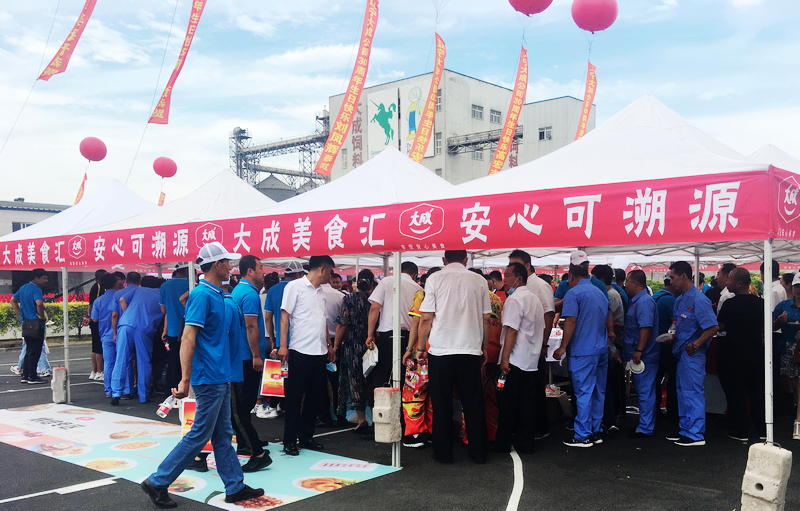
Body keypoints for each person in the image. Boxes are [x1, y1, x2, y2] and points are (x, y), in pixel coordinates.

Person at [141, 242, 263, 509]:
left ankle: (235, 486)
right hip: (209, 375)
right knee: (200, 434)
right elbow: (188, 337)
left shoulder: (216, 294)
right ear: (217, 265)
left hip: (218, 374)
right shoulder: (203, 295)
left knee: (221, 434)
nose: (231, 266)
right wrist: (184, 379)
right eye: (227, 262)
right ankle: (158, 481)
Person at [417, 250, 490, 464]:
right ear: (466, 260)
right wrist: (484, 347)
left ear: (444, 260)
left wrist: (421, 347)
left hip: (441, 351)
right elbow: (486, 318)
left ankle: (443, 453)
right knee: (473, 403)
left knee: (441, 404)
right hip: (470, 349)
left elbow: (426, 317)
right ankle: (478, 453)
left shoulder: (435, 278)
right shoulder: (479, 280)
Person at [279, 255, 336, 456]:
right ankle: (289, 440)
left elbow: (323, 320)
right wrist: (283, 346)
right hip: (300, 351)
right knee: (294, 398)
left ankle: (306, 436)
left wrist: (329, 345)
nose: (330, 277)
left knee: (315, 397)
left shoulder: (321, 293)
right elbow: (284, 317)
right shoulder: (294, 287)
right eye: (329, 272)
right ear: (321, 269)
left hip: (319, 352)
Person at [553, 264, 612, 448]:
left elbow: (570, 320)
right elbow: (608, 316)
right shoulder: (599, 292)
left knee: (583, 392)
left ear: (571, 276)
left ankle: (582, 435)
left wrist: (563, 347)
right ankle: (595, 430)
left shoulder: (574, 293)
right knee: (598, 391)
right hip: (600, 347)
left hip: (583, 349)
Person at [494, 262, 545, 454]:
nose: (504, 279)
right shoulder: (535, 299)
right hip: (531, 359)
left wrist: (504, 358)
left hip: (515, 359)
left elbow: (511, 331)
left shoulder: (515, 300)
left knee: (507, 404)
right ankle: (526, 443)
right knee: (527, 404)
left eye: (507, 275)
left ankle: (503, 443)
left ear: (519, 278)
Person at [667, 261, 718, 447]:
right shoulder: (680, 300)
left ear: (684, 276)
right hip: (681, 352)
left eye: (673, 277)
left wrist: (696, 344)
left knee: (692, 392)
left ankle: (695, 433)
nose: (670, 281)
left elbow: (713, 327)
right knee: (682, 392)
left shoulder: (699, 300)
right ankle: (686, 428)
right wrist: (670, 335)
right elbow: (675, 324)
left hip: (692, 354)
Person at [508, 249, 555, 440]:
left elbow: (548, 315)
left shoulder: (540, 286)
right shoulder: (518, 289)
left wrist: (544, 344)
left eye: (516, 265)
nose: (512, 268)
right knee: (522, 392)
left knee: (534, 389)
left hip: (533, 347)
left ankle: (540, 427)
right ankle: (523, 428)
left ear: (527, 266)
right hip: (519, 350)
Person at [229, 255, 271, 469]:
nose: (264, 272)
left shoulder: (239, 291)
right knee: (241, 407)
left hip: (241, 356)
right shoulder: (249, 294)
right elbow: (250, 326)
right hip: (246, 357)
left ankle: (246, 442)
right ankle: (254, 449)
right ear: (250, 271)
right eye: (260, 268)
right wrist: (256, 355)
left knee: (241, 405)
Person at [716, 268, 766, 441]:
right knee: (756, 391)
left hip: (733, 352)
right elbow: (766, 326)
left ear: (739, 283)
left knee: (736, 391)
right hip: (755, 352)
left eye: (729, 279)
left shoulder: (730, 303)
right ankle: (762, 429)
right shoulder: (761, 303)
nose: (727, 282)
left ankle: (741, 429)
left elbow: (721, 326)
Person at [365, 262, 421, 414]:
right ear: (415, 275)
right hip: (409, 339)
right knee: (405, 379)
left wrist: (370, 334)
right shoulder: (418, 289)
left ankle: (382, 416)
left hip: (386, 336)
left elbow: (374, 308)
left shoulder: (386, 281)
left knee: (381, 377)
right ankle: (403, 418)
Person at [401, 267, 441, 448]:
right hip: (440, 351)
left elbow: (417, 322)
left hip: (422, 351)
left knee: (414, 391)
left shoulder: (422, 294)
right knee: (435, 393)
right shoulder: (447, 295)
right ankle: (433, 431)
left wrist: (409, 349)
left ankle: (415, 433)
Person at [262, 261, 306, 419]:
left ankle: (274, 406)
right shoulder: (301, 288)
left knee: (277, 374)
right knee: (296, 377)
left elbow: (268, 317)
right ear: (298, 274)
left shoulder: (273, 290)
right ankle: (290, 407)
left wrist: (273, 340)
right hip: (299, 341)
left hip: (281, 341)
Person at [112, 276, 164, 405]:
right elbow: (165, 312)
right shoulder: (160, 294)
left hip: (126, 324)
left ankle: (116, 392)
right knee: (144, 361)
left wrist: (128, 313)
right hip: (144, 328)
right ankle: (143, 395)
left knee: (121, 359)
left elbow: (122, 299)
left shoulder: (138, 290)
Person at [334, 269, 374, 434]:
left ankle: (361, 420)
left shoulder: (349, 299)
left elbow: (342, 324)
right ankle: (378, 420)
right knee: (372, 381)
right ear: (372, 283)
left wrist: (336, 346)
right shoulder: (376, 300)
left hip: (352, 345)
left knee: (354, 381)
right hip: (372, 345)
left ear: (356, 283)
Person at [623, 270, 660, 438]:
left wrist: (639, 350)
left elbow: (645, 327)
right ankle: (645, 424)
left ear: (636, 283)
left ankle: (646, 427)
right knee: (642, 389)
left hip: (645, 355)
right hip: (640, 353)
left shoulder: (644, 302)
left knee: (645, 390)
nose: (625, 285)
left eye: (628, 282)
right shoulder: (638, 301)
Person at [592, 264, 624, 433]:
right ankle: (612, 416)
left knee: (608, 382)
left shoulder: (609, 294)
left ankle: (610, 418)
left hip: (611, 343)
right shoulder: (613, 292)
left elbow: (605, 316)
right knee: (610, 381)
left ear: (601, 279)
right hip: (611, 341)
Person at [772, 273, 800, 440]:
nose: (798, 289)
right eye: (797, 286)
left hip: (798, 347)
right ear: (791, 287)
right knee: (793, 383)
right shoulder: (783, 306)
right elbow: (771, 325)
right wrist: (778, 322)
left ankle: (798, 419)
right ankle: (795, 410)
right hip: (788, 347)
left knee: (798, 383)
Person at [11, 268, 49, 385]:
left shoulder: (23, 288)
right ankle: (32, 376)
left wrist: (20, 314)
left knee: (28, 350)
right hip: (36, 323)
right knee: (35, 351)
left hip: (26, 323)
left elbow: (12, 300)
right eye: (44, 278)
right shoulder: (36, 289)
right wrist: (41, 316)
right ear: (36, 278)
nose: (46, 281)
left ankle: (25, 375)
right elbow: (39, 303)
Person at [91, 273, 125, 397]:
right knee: (122, 362)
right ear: (116, 283)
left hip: (105, 334)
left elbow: (94, 319)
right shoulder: (121, 296)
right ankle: (121, 388)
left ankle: (109, 389)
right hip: (121, 333)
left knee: (109, 363)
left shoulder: (98, 301)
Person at [319, 270, 345, 426]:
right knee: (337, 381)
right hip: (337, 340)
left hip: (319, 341)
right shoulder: (340, 296)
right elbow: (343, 322)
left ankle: (324, 416)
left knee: (320, 380)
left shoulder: (316, 295)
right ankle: (339, 414)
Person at [160, 264, 191, 391]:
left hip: (172, 329)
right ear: (187, 270)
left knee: (175, 361)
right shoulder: (192, 284)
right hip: (190, 329)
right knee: (189, 360)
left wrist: (165, 330)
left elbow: (164, 310)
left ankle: (175, 388)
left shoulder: (165, 286)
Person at [652, 275, 679, 423]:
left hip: (653, 345)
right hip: (667, 346)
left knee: (655, 380)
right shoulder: (671, 300)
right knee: (673, 379)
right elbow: (675, 323)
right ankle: (673, 411)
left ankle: (654, 411)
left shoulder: (655, 296)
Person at [86, 269, 107, 381]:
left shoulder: (95, 287)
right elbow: (93, 305)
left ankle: (94, 371)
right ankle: (99, 371)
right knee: (98, 347)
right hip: (97, 320)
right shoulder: (99, 287)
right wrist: (92, 317)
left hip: (94, 320)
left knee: (95, 347)